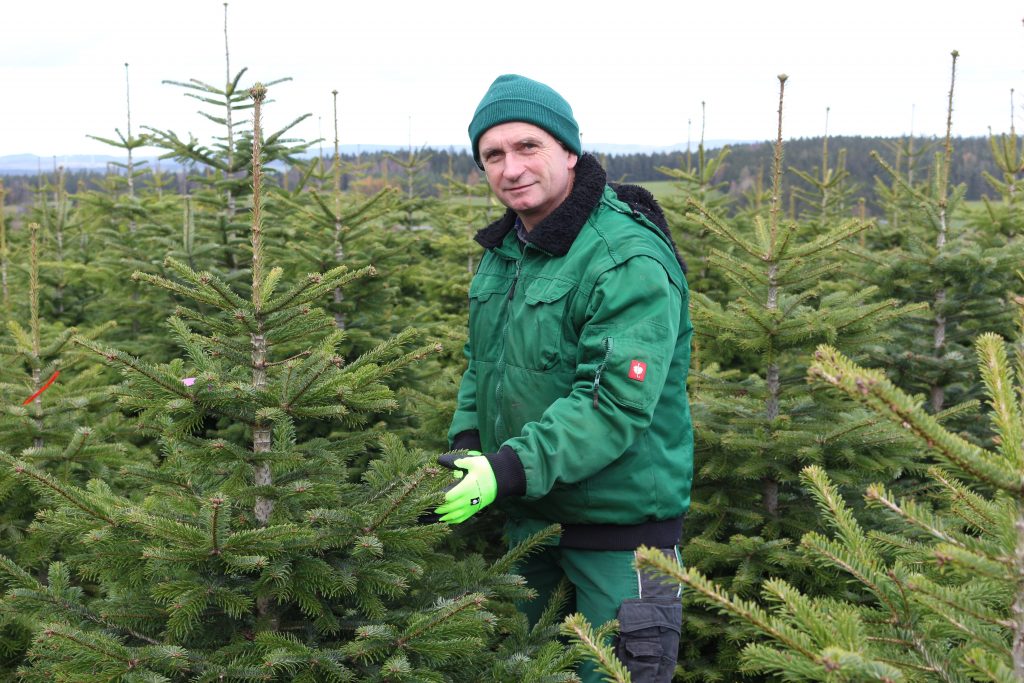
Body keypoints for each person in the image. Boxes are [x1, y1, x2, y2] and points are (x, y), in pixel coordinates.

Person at [433, 74, 694, 683]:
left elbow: (611, 404)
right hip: (532, 523)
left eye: (529, 147)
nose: (511, 168)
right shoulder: (509, 251)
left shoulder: (624, 258)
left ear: (569, 151)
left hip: (621, 539)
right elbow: (485, 366)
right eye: (493, 155)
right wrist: (469, 446)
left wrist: (505, 469)